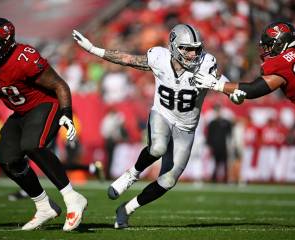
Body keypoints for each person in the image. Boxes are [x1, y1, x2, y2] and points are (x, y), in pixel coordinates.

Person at [73, 24, 237, 229]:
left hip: (186, 128)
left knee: (168, 180)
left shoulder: (206, 64)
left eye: (196, 48)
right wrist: (93, 49)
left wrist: (232, 92)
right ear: (175, 46)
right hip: (163, 114)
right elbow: (127, 59)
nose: (194, 53)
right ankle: (131, 175)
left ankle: (127, 209)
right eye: (188, 48)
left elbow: (223, 81)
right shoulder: (159, 58)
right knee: (158, 147)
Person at [193, 20, 295, 230]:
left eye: (270, 45)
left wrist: (218, 85)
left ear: (281, 42)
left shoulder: (281, 64)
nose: (268, 50)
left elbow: (255, 89)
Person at [0, 18, 87, 231]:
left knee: (32, 145)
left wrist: (66, 114)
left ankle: (73, 198)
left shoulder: (24, 57)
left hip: (45, 104)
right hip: (20, 112)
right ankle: (44, 206)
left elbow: (60, 85)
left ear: (6, 44)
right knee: (7, 159)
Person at [205, 104, 232, 183]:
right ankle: (214, 177)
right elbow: (209, 136)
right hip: (215, 146)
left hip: (224, 146)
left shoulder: (226, 122)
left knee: (225, 163)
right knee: (215, 162)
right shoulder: (212, 123)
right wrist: (209, 145)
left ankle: (226, 178)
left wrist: (230, 144)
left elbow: (230, 134)